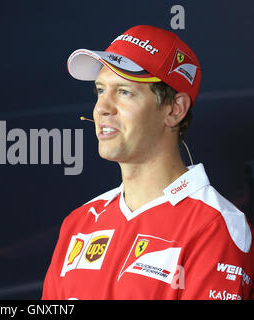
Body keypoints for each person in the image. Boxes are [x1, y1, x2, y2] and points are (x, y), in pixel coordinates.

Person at [42, 25, 253, 300]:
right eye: (100, 90)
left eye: (124, 92)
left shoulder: (214, 225)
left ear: (175, 110)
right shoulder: (79, 222)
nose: (102, 108)